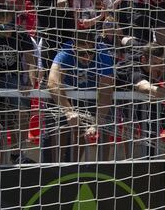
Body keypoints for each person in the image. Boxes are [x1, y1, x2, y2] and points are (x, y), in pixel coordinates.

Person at [46, 31, 114, 162]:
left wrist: (96, 123)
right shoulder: (66, 50)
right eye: (82, 54)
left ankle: (98, 168)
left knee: (103, 130)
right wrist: (68, 112)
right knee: (61, 128)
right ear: (74, 48)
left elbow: (106, 91)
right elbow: (52, 82)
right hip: (68, 94)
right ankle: (55, 167)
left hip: (94, 95)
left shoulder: (103, 53)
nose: (87, 57)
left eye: (90, 53)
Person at [0, 4, 37, 163]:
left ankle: (18, 152)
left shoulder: (21, 34)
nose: (1, 21)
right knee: (3, 122)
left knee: (21, 112)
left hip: (15, 76)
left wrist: (29, 82)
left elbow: (31, 60)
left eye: (4, 17)